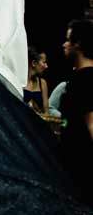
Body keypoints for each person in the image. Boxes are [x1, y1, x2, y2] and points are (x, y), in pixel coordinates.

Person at [58, 19, 93, 202]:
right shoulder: (79, 79)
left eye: (67, 39)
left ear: (77, 43)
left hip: (83, 173)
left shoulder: (86, 80)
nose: (64, 44)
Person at [23, 47, 49, 114]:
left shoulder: (42, 83)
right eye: (44, 62)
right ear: (34, 63)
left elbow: (46, 113)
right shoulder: (19, 80)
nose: (46, 66)